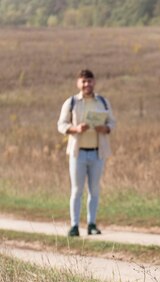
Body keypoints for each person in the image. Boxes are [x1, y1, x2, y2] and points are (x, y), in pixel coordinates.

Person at [57, 69, 116, 237]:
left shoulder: (102, 102)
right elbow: (61, 124)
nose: (86, 85)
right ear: (78, 83)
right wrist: (75, 129)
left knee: (94, 189)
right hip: (78, 153)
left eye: (89, 81)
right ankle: (74, 225)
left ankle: (91, 224)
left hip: (97, 152)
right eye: (83, 81)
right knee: (76, 190)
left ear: (94, 82)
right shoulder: (72, 102)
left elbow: (112, 122)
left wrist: (105, 128)